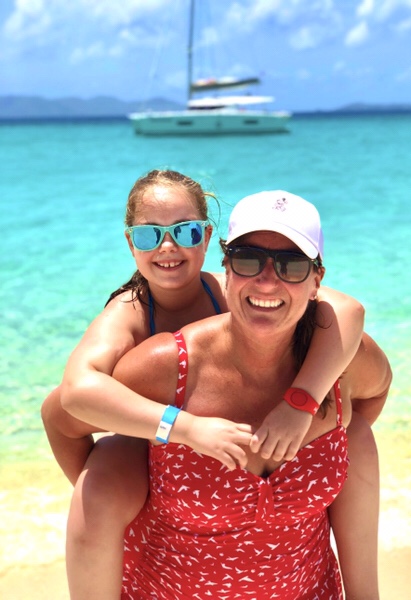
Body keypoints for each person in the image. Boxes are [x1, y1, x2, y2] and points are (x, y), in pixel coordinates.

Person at [41, 172, 368, 598]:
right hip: (150, 433)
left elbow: (347, 311)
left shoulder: (233, 287)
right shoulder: (129, 313)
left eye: (186, 231)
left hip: (202, 444)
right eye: (149, 235)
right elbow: (68, 401)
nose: (167, 247)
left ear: (208, 237)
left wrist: (300, 404)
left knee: (353, 435)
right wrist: (156, 474)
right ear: (130, 243)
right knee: (102, 481)